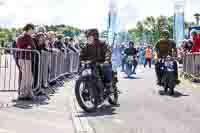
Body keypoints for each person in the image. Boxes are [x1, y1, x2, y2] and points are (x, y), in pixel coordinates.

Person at [80, 29, 112, 100]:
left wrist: (106, 60)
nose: (88, 38)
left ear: (95, 36)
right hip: (91, 63)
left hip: (102, 62)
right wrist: (82, 61)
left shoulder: (102, 43)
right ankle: (86, 90)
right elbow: (82, 55)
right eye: (87, 37)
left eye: (90, 36)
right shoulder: (87, 46)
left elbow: (107, 51)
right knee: (83, 71)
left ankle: (108, 86)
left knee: (105, 67)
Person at [16, 23, 36, 100]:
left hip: (21, 58)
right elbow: (33, 47)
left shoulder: (20, 36)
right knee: (27, 77)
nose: (33, 31)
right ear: (30, 29)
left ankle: (25, 93)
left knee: (26, 76)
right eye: (33, 29)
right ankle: (25, 94)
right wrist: (29, 48)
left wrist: (29, 47)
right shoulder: (27, 37)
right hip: (26, 58)